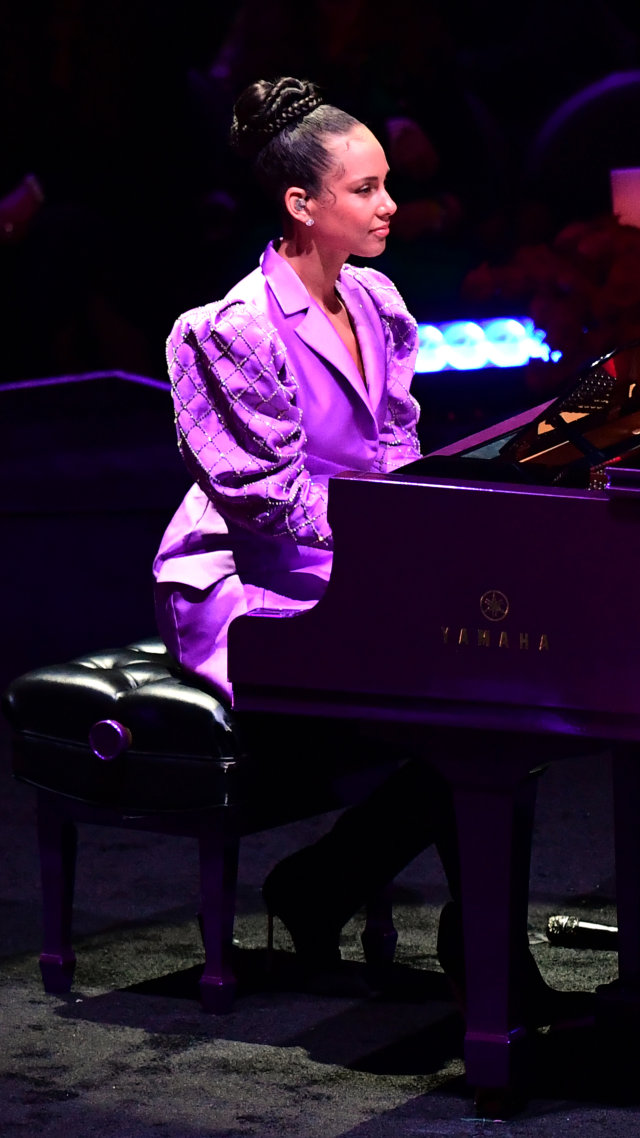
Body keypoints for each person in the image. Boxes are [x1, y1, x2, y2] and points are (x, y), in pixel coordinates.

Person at [153, 77, 588, 1019]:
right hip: (255, 582)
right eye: (364, 189)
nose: (391, 204)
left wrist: (434, 527)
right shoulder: (229, 331)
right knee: (473, 711)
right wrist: (398, 543)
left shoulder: (380, 301)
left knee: (504, 701)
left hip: (359, 556)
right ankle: (452, 948)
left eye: (387, 183)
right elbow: (269, 505)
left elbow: (394, 455)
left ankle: (349, 894)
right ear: (301, 204)